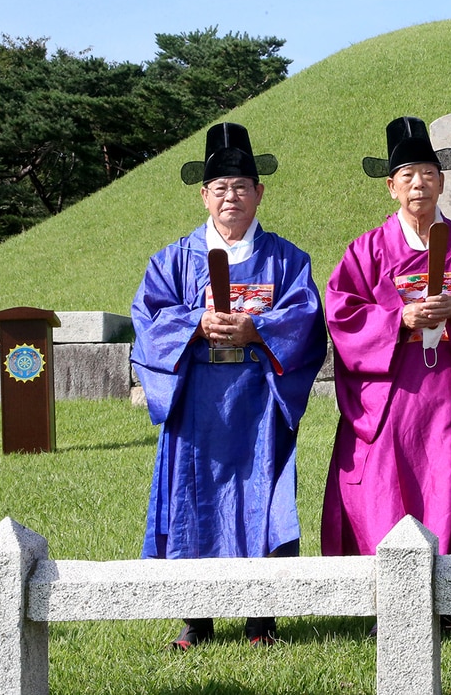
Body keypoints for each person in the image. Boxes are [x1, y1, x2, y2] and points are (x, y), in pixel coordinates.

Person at [131, 122, 327, 650]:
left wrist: (256, 327)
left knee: (261, 501)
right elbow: (148, 322)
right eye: (220, 188)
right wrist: (195, 324)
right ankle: (197, 619)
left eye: (241, 186)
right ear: (204, 196)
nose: (230, 197)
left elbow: (307, 322)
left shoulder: (287, 260)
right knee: (192, 501)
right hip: (197, 404)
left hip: (258, 404)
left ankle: (261, 619)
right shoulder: (172, 260)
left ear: (260, 193)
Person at [321, 117, 451, 600]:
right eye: (407, 176)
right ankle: (385, 600)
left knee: (445, 487)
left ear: (442, 182)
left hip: (448, 395)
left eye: (427, 173)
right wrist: (397, 320)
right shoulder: (367, 250)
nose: (418, 184)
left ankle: (446, 602)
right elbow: (341, 312)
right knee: (383, 491)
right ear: (390, 187)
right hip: (391, 394)